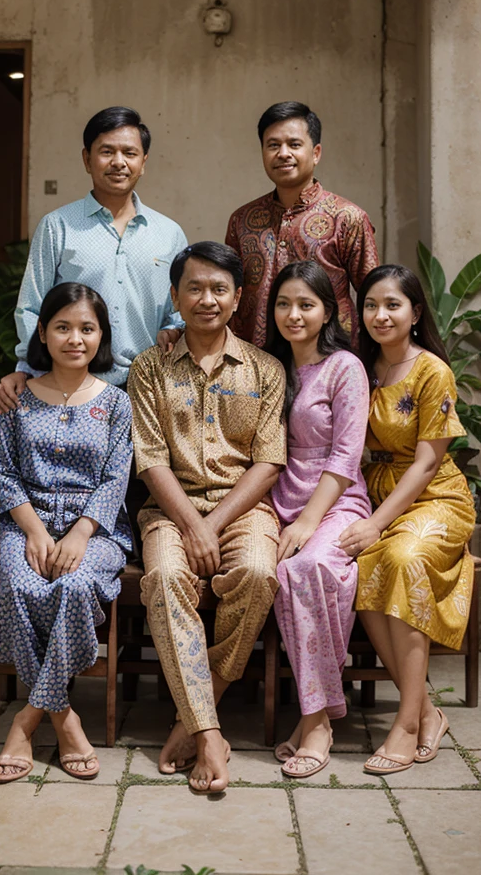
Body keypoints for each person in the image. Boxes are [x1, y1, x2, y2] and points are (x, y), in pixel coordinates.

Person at [127, 241, 287, 794]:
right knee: (167, 578)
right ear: (175, 296)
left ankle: (190, 717)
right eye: (193, 288)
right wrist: (192, 525)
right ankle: (210, 731)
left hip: (243, 511)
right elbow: (149, 459)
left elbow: (268, 462)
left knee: (260, 574)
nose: (206, 299)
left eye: (219, 289)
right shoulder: (148, 368)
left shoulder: (266, 370)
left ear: (239, 298)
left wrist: (212, 523)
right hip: (169, 511)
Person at [0, 282, 132, 784]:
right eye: (63, 327)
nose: (75, 338)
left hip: (96, 531)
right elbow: (2, 471)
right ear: (43, 334)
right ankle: (65, 718)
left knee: (72, 586)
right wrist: (31, 530)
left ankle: (27, 720)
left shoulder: (116, 403)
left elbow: (117, 477)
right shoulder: (18, 397)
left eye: (87, 328)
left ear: (101, 336)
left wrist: (81, 534)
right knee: (22, 587)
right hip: (22, 524)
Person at [338, 264, 475, 776]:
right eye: (371, 305)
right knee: (363, 568)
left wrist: (376, 523)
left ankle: (406, 722)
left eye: (393, 304)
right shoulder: (359, 365)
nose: (381, 315)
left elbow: (426, 462)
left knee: (399, 555)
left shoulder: (431, 370)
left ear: (415, 312)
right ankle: (425, 710)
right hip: (377, 493)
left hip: (435, 496)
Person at [0, 105, 187, 410]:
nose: (119, 162)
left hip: (149, 389)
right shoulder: (57, 226)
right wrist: (26, 369)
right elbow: (32, 307)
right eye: (106, 151)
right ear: (87, 159)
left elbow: (179, 312)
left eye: (129, 153)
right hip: (72, 387)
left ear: (144, 162)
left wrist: (174, 329)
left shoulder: (169, 234)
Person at [264, 260, 371, 779]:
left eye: (306, 304)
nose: (293, 314)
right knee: (274, 571)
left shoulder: (345, 367)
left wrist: (308, 522)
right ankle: (323, 710)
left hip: (334, 501)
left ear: (328, 310)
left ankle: (315, 720)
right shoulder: (268, 367)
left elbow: (346, 457)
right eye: (283, 303)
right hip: (275, 498)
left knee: (306, 569)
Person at [225, 101, 379, 348]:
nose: (283, 153)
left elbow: (374, 298)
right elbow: (230, 294)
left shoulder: (347, 218)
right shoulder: (242, 221)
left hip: (330, 364)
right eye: (273, 145)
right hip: (256, 366)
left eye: (294, 144)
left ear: (316, 152)